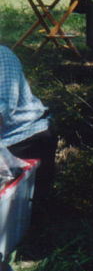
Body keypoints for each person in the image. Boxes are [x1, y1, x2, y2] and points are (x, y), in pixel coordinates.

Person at [0, 45, 56, 200]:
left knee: (27, 209)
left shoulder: (2, 56)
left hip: (26, 137)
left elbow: (3, 108)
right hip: (5, 141)